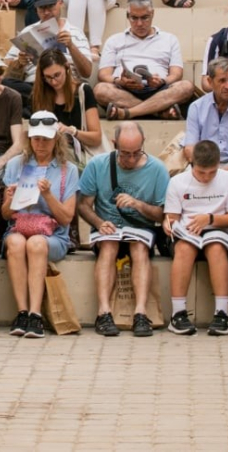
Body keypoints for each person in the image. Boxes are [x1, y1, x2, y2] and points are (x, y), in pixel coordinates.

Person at [76, 121, 169, 337]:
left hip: (140, 228)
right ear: (114, 144)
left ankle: (141, 313)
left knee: (138, 248)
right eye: (125, 153)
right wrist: (99, 223)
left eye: (136, 153)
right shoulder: (98, 164)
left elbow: (161, 214)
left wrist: (138, 204)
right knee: (108, 245)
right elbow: (83, 205)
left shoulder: (157, 169)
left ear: (143, 143)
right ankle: (104, 312)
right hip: (107, 227)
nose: (131, 159)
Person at [1, 111, 80, 339]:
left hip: (53, 235)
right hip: (20, 227)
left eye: (46, 138)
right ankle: (22, 311)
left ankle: (36, 314)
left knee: (36, 244)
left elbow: (66, 218)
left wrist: (47, 195)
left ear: (56, 138)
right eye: (36, 139)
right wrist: (12, 198)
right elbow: (6, 215)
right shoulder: (17, 164)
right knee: (15, 242)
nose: (41, 144)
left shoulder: (68, 169)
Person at [163, 140, 228, 337]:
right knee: (184, 249)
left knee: (215, 248)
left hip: (217, 230)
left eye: (212, 172)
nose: (206, 177)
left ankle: (222, 314)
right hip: (186, 233)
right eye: (201, 172)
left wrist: (210, 218)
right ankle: (178, 313)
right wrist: (169, 224)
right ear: (191, 164)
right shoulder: (178, 182)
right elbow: (172, 218)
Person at [94, 0, 195, 120]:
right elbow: (103, 74)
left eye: (145, 17)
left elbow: (176, 73)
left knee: (186, 86)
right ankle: (159, 112)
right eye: (134, 18)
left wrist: (162, 81)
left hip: (159, 90)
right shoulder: (114, 40)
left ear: (152, 14)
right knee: (100, 90)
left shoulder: (169, 39)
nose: (139, 23)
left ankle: (128, 113)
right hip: (124, 91)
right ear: (127, 16)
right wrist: (120, 81)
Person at [3, 0, 93, 111]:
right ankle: (42, 105)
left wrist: (71, 47)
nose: (46, 12)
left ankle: (35, 108)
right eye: (42, 8)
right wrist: (19, 63)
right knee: (5, 85)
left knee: (76, 87)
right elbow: (5, 70)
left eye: (50, 6)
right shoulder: (28, 32)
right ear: (36, 9)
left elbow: (87, 72)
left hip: (64, 84)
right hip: (34, 85)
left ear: (60, 3)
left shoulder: (75, 32)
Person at [31, 49, 102, 160]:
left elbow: (96, 138)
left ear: (67, 68)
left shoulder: (83, 91)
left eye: (57, 75)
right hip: (49, 152)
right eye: (48, 77)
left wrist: (72, 131)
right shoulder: (40, 95)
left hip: (77, 153)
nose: (54, 82)